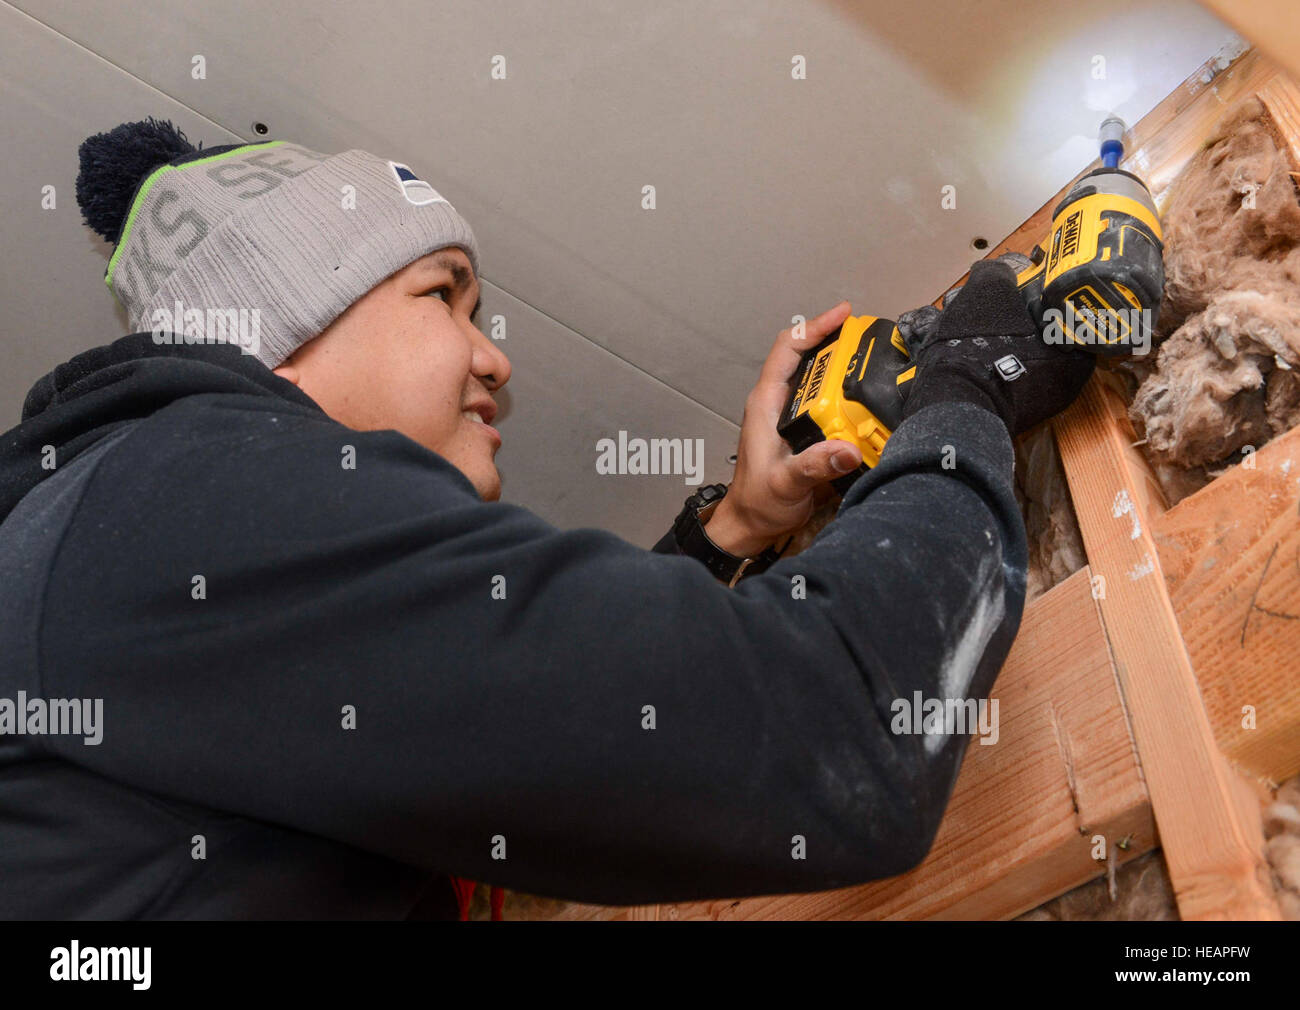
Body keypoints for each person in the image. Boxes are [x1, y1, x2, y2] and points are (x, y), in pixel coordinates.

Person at [0, 120, 1093, 919]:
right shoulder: (183, 493)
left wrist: (730, 531)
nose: (496, 359)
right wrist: (966, 393)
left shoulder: (122, 544)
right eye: (444, 295)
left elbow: (546, 725)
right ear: (281, 333)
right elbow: (838, 734)